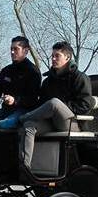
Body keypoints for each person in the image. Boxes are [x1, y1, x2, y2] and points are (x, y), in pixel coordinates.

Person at [18, 41, 91, 179]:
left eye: (57, 56)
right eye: (52, 56)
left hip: (72, 123)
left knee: (54, 103)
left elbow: (85, 106)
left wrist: (61, 107)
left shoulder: (80, 78)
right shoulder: (48, 81)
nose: (53, 59)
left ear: (67, 58)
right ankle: (25, 169)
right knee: (28, 127)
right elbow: (41, 105)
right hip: (51, 123)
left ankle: (23, 118)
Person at [0, 36, 41, 132]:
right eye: (11, 49)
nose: (12, 52)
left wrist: (14, 100)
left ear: (26, 51)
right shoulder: (6, 70)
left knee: (3, 124)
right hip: (6, 110)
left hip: (25, 111)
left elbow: (32, 99)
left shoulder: (33, 71)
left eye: (16, 49)